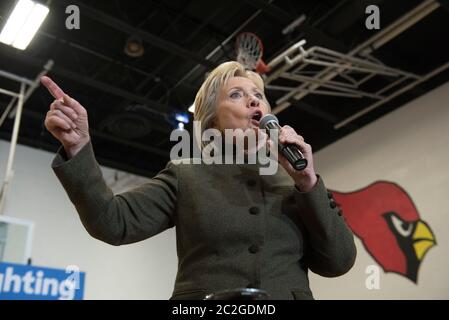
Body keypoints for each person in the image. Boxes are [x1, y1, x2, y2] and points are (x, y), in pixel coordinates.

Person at [41, 61, 356, 300]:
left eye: (258, 95)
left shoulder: (298, 181)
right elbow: (112, 221)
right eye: (236, 94)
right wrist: (79, 147)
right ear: (213, 120)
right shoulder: (186, 173)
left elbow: (339, 262)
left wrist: (308, 182)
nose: (253, 101)